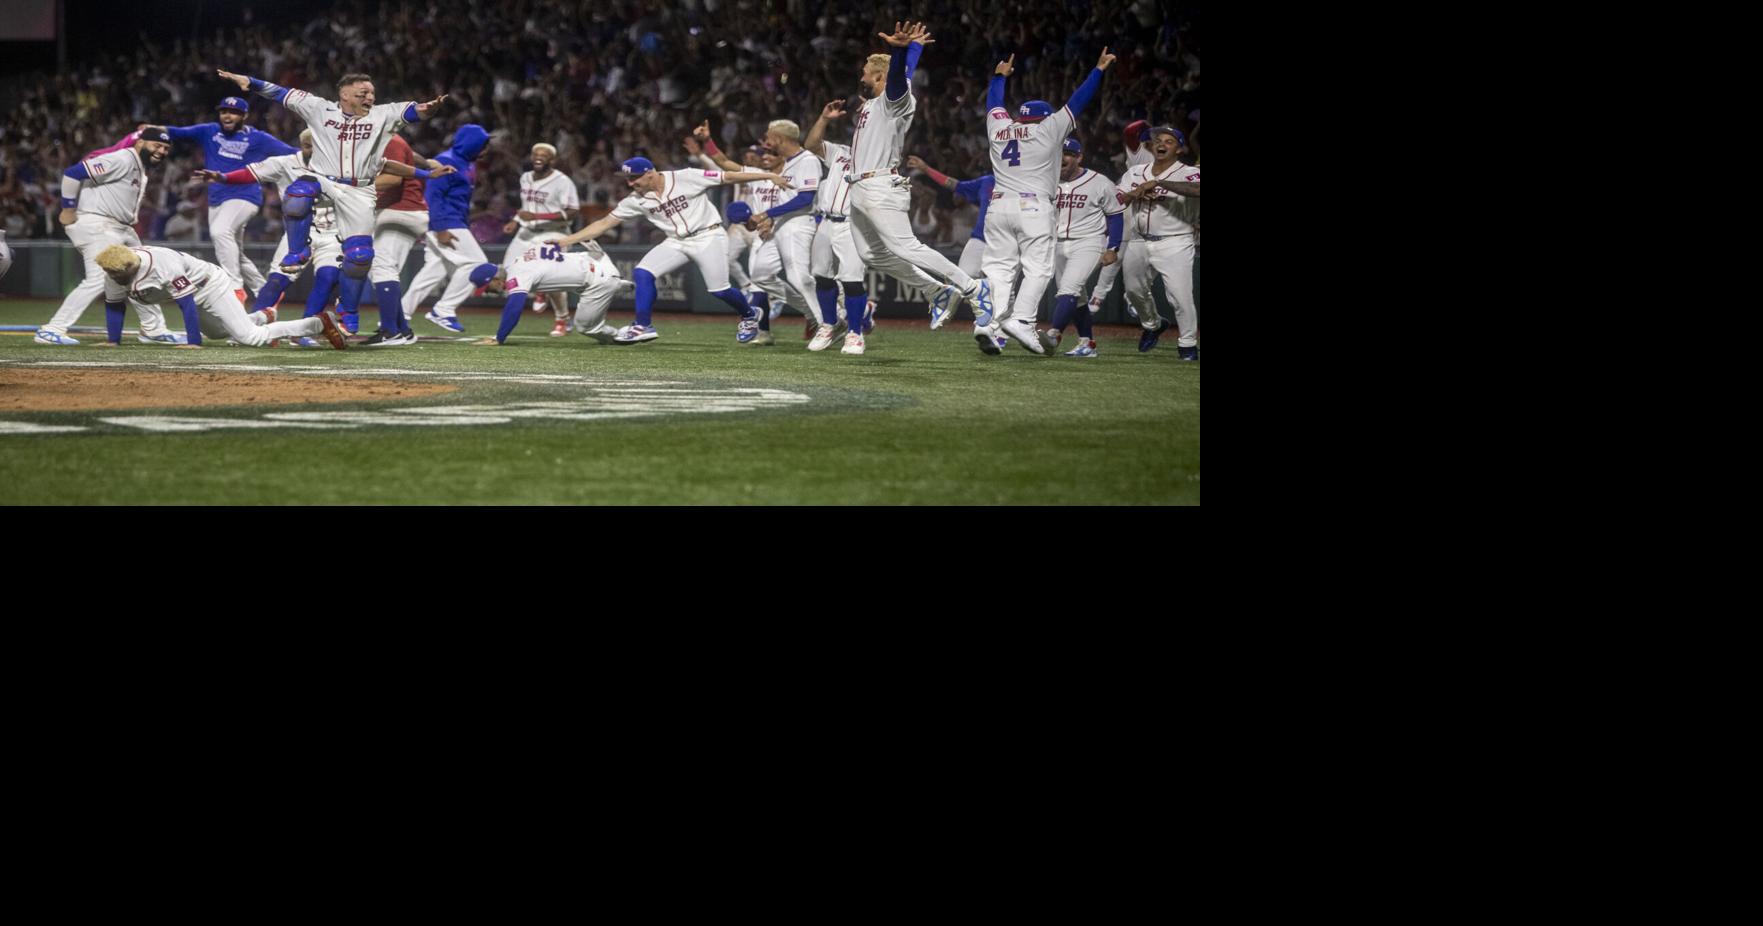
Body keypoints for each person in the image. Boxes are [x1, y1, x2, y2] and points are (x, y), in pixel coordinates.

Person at [214, 68, 448, 342]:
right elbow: (280, 93)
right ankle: (297, 251)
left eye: (372, 93)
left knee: (360, 257)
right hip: (324, 180)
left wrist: (429, 109)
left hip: (359, 190)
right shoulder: (319, 109)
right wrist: (249, 82)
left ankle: (347, 310)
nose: (370, 97)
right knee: (300, 190)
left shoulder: (384, 114)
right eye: (363, 93)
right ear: (344, 95)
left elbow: (415, 112)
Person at [839, 20, 988, 347]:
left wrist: (899, 48)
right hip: (860, 189)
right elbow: (901, 73)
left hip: (879, 186)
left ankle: (973, 288)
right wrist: (913, 49)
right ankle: (936, 290)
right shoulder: (876, 101)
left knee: (906, 247)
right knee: (872, 254)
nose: (861, 77)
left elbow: (897, 80)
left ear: (878, 77)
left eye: (865, 73)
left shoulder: (894, 101)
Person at [540, 156, 791, 345]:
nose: (630, 183)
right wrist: (566, 241)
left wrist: (767, 176)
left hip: (708, 235)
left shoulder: (686, 177)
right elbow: (604, 223)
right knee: (643, 272)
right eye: (628, 178)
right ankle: (643, 326)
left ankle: (749, 315)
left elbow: (728, 176)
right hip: (676, 240)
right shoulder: (636, 199)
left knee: (719, 289)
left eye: (635, 177)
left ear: (650, 173)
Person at [974, 47, 1113, 356]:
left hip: (998, 206)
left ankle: (987, 323)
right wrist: (1098, 71)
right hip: (1033, 206)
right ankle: (1021, 320)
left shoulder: (1000, 127)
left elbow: (993, 104)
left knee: (998, 270)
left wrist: (999, 77)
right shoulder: (1049, 129)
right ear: (1045, 117)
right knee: (1038, 269)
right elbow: (1078, 101)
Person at [34, 127, 183, 346]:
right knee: (99, 279)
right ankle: (52, 329)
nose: (161, 151)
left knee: (142, 273)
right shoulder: (122, 158)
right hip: (98, 224)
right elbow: (73, 173)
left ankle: (153, 329)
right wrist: (67, 208)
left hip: (121, 228)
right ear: (140, 143)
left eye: (165, 148)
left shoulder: (139, 166)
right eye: (156, 145)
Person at [164, 96, 298, 303]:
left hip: (245, 196)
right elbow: (176, 132)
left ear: (244, 116)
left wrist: (319, 157)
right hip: (217, 199)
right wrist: (151, 129)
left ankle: (235, 287)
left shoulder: (258, 138)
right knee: (235, 252)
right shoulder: (209, 131)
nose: (227, 115)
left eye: (234, 112)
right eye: (224, 111)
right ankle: (266, 291)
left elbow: (293, 153)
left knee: (220, 232)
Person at [92, 244, 347, 350]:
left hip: (209, 285)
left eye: (116, 273)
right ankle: (261, 316)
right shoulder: (114, 272)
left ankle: (318, 323)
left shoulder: (162, 266)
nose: (112, 277)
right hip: (192, 292)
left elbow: (186, 303)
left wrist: (193, 342)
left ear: (130, 266)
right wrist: (113, 341)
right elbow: (115, 306)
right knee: (217, 334)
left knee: (250, 338)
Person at [1116, 125, 1201, 358]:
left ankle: (1187, 344)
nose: (1161, 144)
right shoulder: (1135, 172)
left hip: (1175, 241)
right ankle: (1153, 324)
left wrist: (1159, 183)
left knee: (1180, 297)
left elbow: (1197, 189)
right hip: (1139, 240)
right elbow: (1115, 201)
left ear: (1180, 149)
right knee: (1133, 291)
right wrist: (1131, 194)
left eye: (1169, 141)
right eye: (1157, 140)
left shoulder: (1188, 172)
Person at [399, 124, 490, 333]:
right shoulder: (447, 161)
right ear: (472, 144)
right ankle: (444, 310)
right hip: (446, 222)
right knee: (478, 265)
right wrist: (440, 227)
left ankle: (400, 314)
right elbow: (433, 197)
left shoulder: (467, 164)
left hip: (451, 221)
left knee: (434, 272)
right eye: (482, 146)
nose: (485, 151)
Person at [1040, 137, 1123, 357]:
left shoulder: (1100, 182)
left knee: (1068, 289)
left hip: (1089, 242)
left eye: (1067, 153)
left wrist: (1112, 247)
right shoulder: (1047, 181)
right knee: (1078, 297)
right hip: (1057, 244)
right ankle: (1087, 343)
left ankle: (1053, 334)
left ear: (1079, 157)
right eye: (1059, 153)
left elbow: (1116, 216)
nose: (1062, 158)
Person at [466, 245, 627, 347]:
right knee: (574, 286)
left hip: (597, 281)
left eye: (486, 287)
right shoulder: (521, 258)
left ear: (495, 279)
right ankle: (616, 284)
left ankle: (621, 335)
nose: (487, 292)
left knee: (585, 328)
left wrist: (499, 337)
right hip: (597, 259)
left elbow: (514, 308)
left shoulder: (517, 274)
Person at [500, 143, 581, 337]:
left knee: (553, 277)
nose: (538, 157)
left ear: (552, 160)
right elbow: (526, 206)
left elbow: (573, 211)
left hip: (554, 233)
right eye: (535, 154)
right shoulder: (525, 177)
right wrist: (516, 220)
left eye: (544, 155)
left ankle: (562, 320)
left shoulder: (562, 181)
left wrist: (536, 217)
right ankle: (539, 291)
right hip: (527, 232)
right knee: (508, 270)